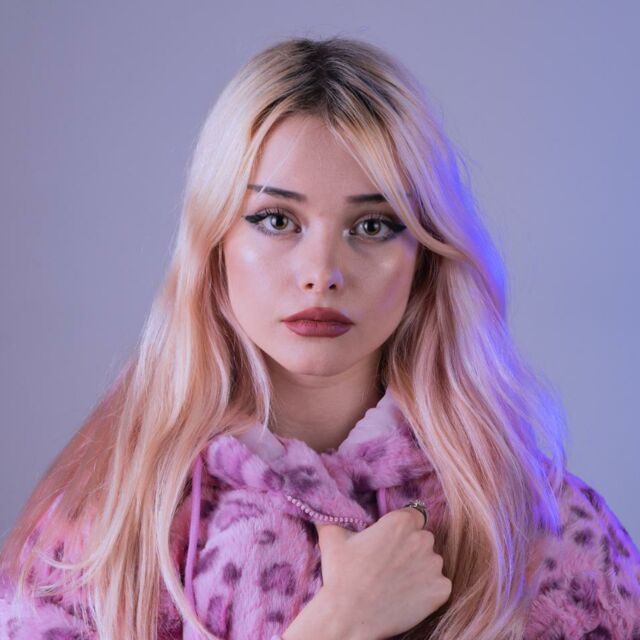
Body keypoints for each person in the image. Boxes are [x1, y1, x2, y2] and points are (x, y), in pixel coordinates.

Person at [1, 35, 638, 640]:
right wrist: (340, 623)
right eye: (277, 219)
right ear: (215, 242)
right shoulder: (103, 531)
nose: (322, 273)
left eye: (374, 225)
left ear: (424, 255)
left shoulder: (547, 531)